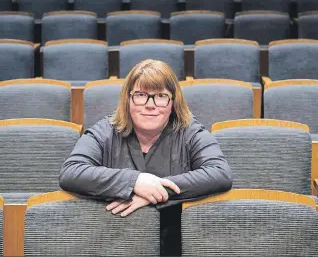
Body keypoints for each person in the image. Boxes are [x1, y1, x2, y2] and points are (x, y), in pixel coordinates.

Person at [59, 59, 232, 255]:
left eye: (160, 96)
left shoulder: (190, 132)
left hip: (174, 245)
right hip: (113, 242)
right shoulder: (104, 131)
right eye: (141, 95)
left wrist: (155, 192)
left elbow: (220, 173)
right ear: (128, 99)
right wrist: (135, 181)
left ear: (173, 102)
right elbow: (71, 172)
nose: (150, 105)